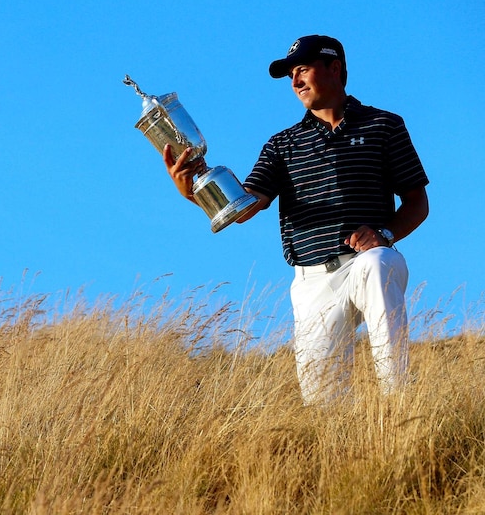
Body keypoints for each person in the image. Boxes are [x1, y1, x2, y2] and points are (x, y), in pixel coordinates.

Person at [163, 35, 429, 404]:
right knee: (324, 406)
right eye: (291, 74)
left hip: (367, 261)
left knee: (379, 262)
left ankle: (399, 399)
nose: (295, 82)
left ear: (334, 68)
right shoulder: (282, 145)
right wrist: (192, 191)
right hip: (312, 281)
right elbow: (245, 206)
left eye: (302, 69)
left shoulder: (384, 126)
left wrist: (384, 234)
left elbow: (417, 202)